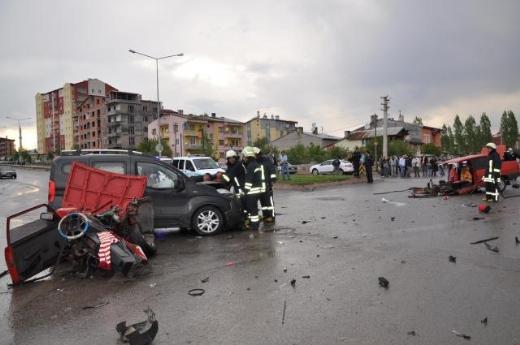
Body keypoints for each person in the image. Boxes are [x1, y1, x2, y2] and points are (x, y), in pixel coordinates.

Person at [254, 147, 277, 223]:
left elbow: (272, 170)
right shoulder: (255, 161)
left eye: (256, 154)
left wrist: (272, 180)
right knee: (263, 202)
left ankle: (272, 216)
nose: (255, 156)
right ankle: (265, 216)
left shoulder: (266, 160)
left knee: (269, 202)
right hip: (260, 186)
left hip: (267, 185)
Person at [242, 146, 262, 230]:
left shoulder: (250, 166)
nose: (243, 158)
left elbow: (249, 181)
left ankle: (254, 226)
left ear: (247, 156)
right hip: (257, 191)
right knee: (254, 209)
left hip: (251, 192)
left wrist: (245, 191)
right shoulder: (256, 164)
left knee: (253, 209)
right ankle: (254, 224)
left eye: (244, 156)